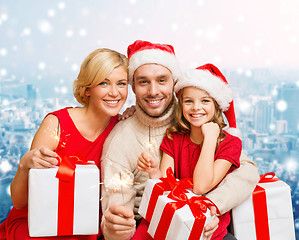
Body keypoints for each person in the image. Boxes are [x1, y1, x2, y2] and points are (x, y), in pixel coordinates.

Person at [101, 40, 260, 240]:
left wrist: (209, 208)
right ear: (133, 86)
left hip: (208, 221)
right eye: (143, 82)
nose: (153, 91)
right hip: (153, 222)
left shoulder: (194, 119)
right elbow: (120, 206)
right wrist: (117, 227)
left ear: (174, 83)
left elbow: (246, 170)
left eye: (161, 80)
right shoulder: (122, 139)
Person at [0, 48, 129, 240]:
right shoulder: (56, 124)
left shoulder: (123, 128)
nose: (114, 92)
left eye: (122, 83)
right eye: (104, 83)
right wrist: (24, 165)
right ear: (87, 89)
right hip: (37, 227)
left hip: (84, 228)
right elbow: (19, 203)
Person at [137, 63, 242, 239]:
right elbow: (165, 188)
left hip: (209, 227)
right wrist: (153, 171)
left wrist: (209, 139)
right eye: (188, 101)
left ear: (217, 105)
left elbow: (201, 186)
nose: (196, 107)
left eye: (205, 101)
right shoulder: (173, 137)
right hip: (176, 220)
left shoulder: (231, 144)